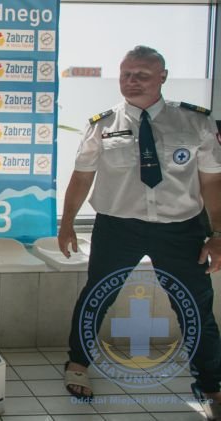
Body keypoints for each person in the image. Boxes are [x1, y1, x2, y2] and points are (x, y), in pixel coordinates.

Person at [58, 45, 221, 415]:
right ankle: (78, 363)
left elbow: (212, 182)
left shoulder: (194, 122)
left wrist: (218, 235)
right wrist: (67, 223)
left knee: (195, 306)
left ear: (162, 77)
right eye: (126, 74)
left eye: (142, 75)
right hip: (118, 227)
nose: (131, 81)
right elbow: (81, 178)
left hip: (181, 229)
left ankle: (211, 385)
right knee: (97, 295)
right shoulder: (102, 125)